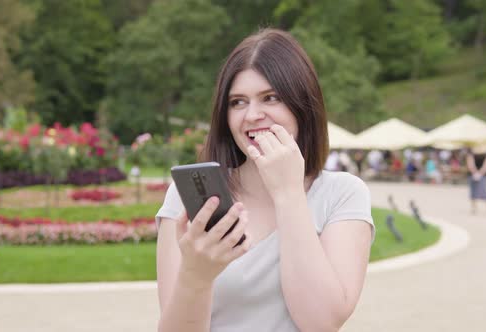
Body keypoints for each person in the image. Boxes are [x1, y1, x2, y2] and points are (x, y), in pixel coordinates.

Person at [155, 28, 374, 332]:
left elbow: (321, 322)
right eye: (238, 102)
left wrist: (288, 193)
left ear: (302, 106)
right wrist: (196, 275)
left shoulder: (342, 194)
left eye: (270, 98)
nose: (252, 115)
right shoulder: (188, 197)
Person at [466, 144, 486, 214]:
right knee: (477, 191)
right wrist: (478, 173)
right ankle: (476, 208)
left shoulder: (472, 153)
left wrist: (478, 173)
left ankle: (481, 208)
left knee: (482, 191)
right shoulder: (472, 153)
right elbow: (471, 164)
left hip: (478, 175)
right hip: (479, 174)